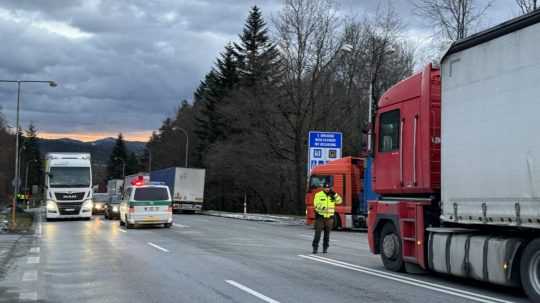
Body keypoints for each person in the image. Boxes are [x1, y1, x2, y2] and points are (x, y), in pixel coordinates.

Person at [312, 183, 342, 254]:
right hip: (320, 218)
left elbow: (340, 201)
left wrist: (335, 194)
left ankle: (325, 248)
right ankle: (315, 248)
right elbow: (316, 204)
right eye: (326, 188)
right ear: (323, 188)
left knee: (327, 235)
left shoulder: (332, 195)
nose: (327, 189)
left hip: (329, 218)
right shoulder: (318, 195)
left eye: (328, 188)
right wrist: (324, 208)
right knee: (317, 234)